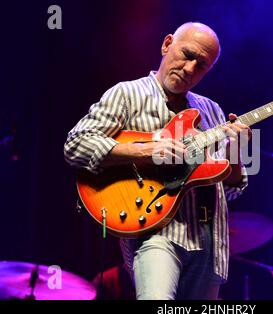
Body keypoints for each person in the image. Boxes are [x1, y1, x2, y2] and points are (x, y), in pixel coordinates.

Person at [64, 22, 250, 300]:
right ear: (166, 44)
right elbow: (76, 144)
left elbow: (234, 189)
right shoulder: (127, 93)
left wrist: (237, 152)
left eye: (201, 66)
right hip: (154, 232)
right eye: (187, 55)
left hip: (211, 244)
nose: (189, 69)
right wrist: (147, 150)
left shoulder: (212, 110)